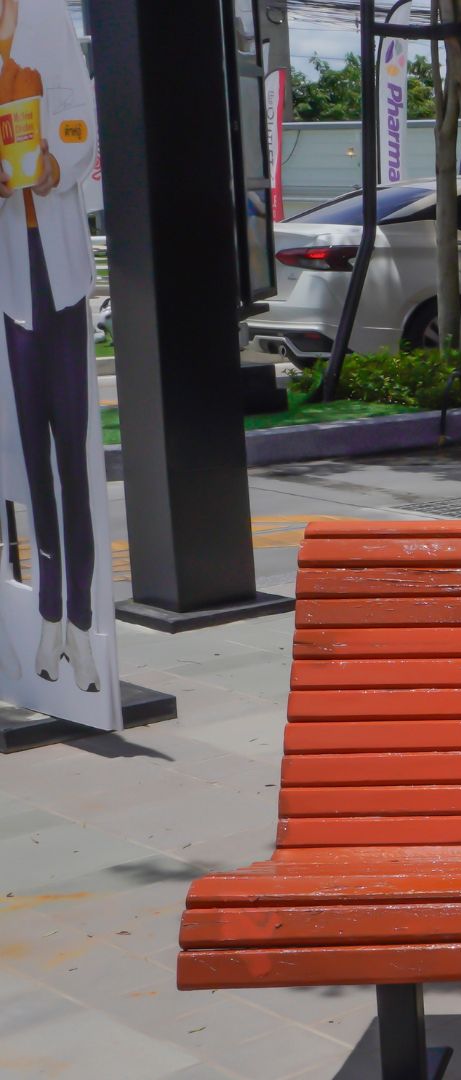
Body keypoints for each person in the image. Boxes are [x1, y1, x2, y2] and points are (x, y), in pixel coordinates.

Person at [0, 0, 100, 692]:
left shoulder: (46, 22)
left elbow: (81, 126)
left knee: (73, 451)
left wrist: (48, 169)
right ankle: (47, 618)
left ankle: (82, 623)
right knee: (31, 461)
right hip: (5, 270)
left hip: (54, 261)